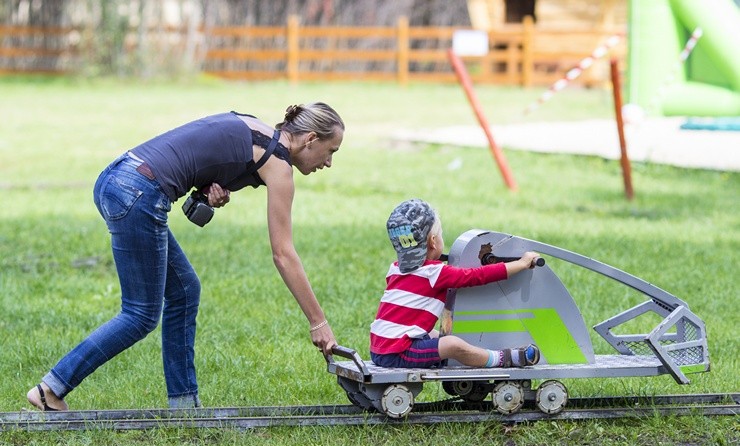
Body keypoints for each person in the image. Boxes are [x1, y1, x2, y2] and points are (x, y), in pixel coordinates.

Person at [27, 103, 344, 411]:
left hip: (118, 177)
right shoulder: (278, 165)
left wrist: (208, 190)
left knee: (184, 291)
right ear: (311, 139)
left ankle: (183, 405)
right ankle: (50, 389)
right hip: (139, 192)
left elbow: (204, 151)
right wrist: (319, 322)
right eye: (331, 152)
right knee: (140, 314)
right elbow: (283, 254)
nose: (328, 163)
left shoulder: (254, 128)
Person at [370, 199, 541, 369]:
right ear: (434, 241)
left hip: (380, 349)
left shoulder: (396, 269)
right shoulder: (435, 273)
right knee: (452, 344)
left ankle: (467, 355)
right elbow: (477, 276)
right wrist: (521, 263)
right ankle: (502, 358)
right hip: (400, 352)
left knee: (439, 335)